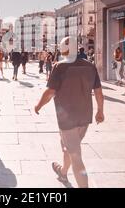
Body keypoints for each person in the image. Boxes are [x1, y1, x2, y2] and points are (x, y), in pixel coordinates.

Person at [35, 37, 105, 188]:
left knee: (75, 155)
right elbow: (98, 91)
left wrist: (38, 105)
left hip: (67, 118)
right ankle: (63, 171)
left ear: (64, 49)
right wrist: (100, 111)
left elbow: (50, 92)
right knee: (69, 146)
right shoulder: (90, 66)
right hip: (85, 116)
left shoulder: (60, 66)